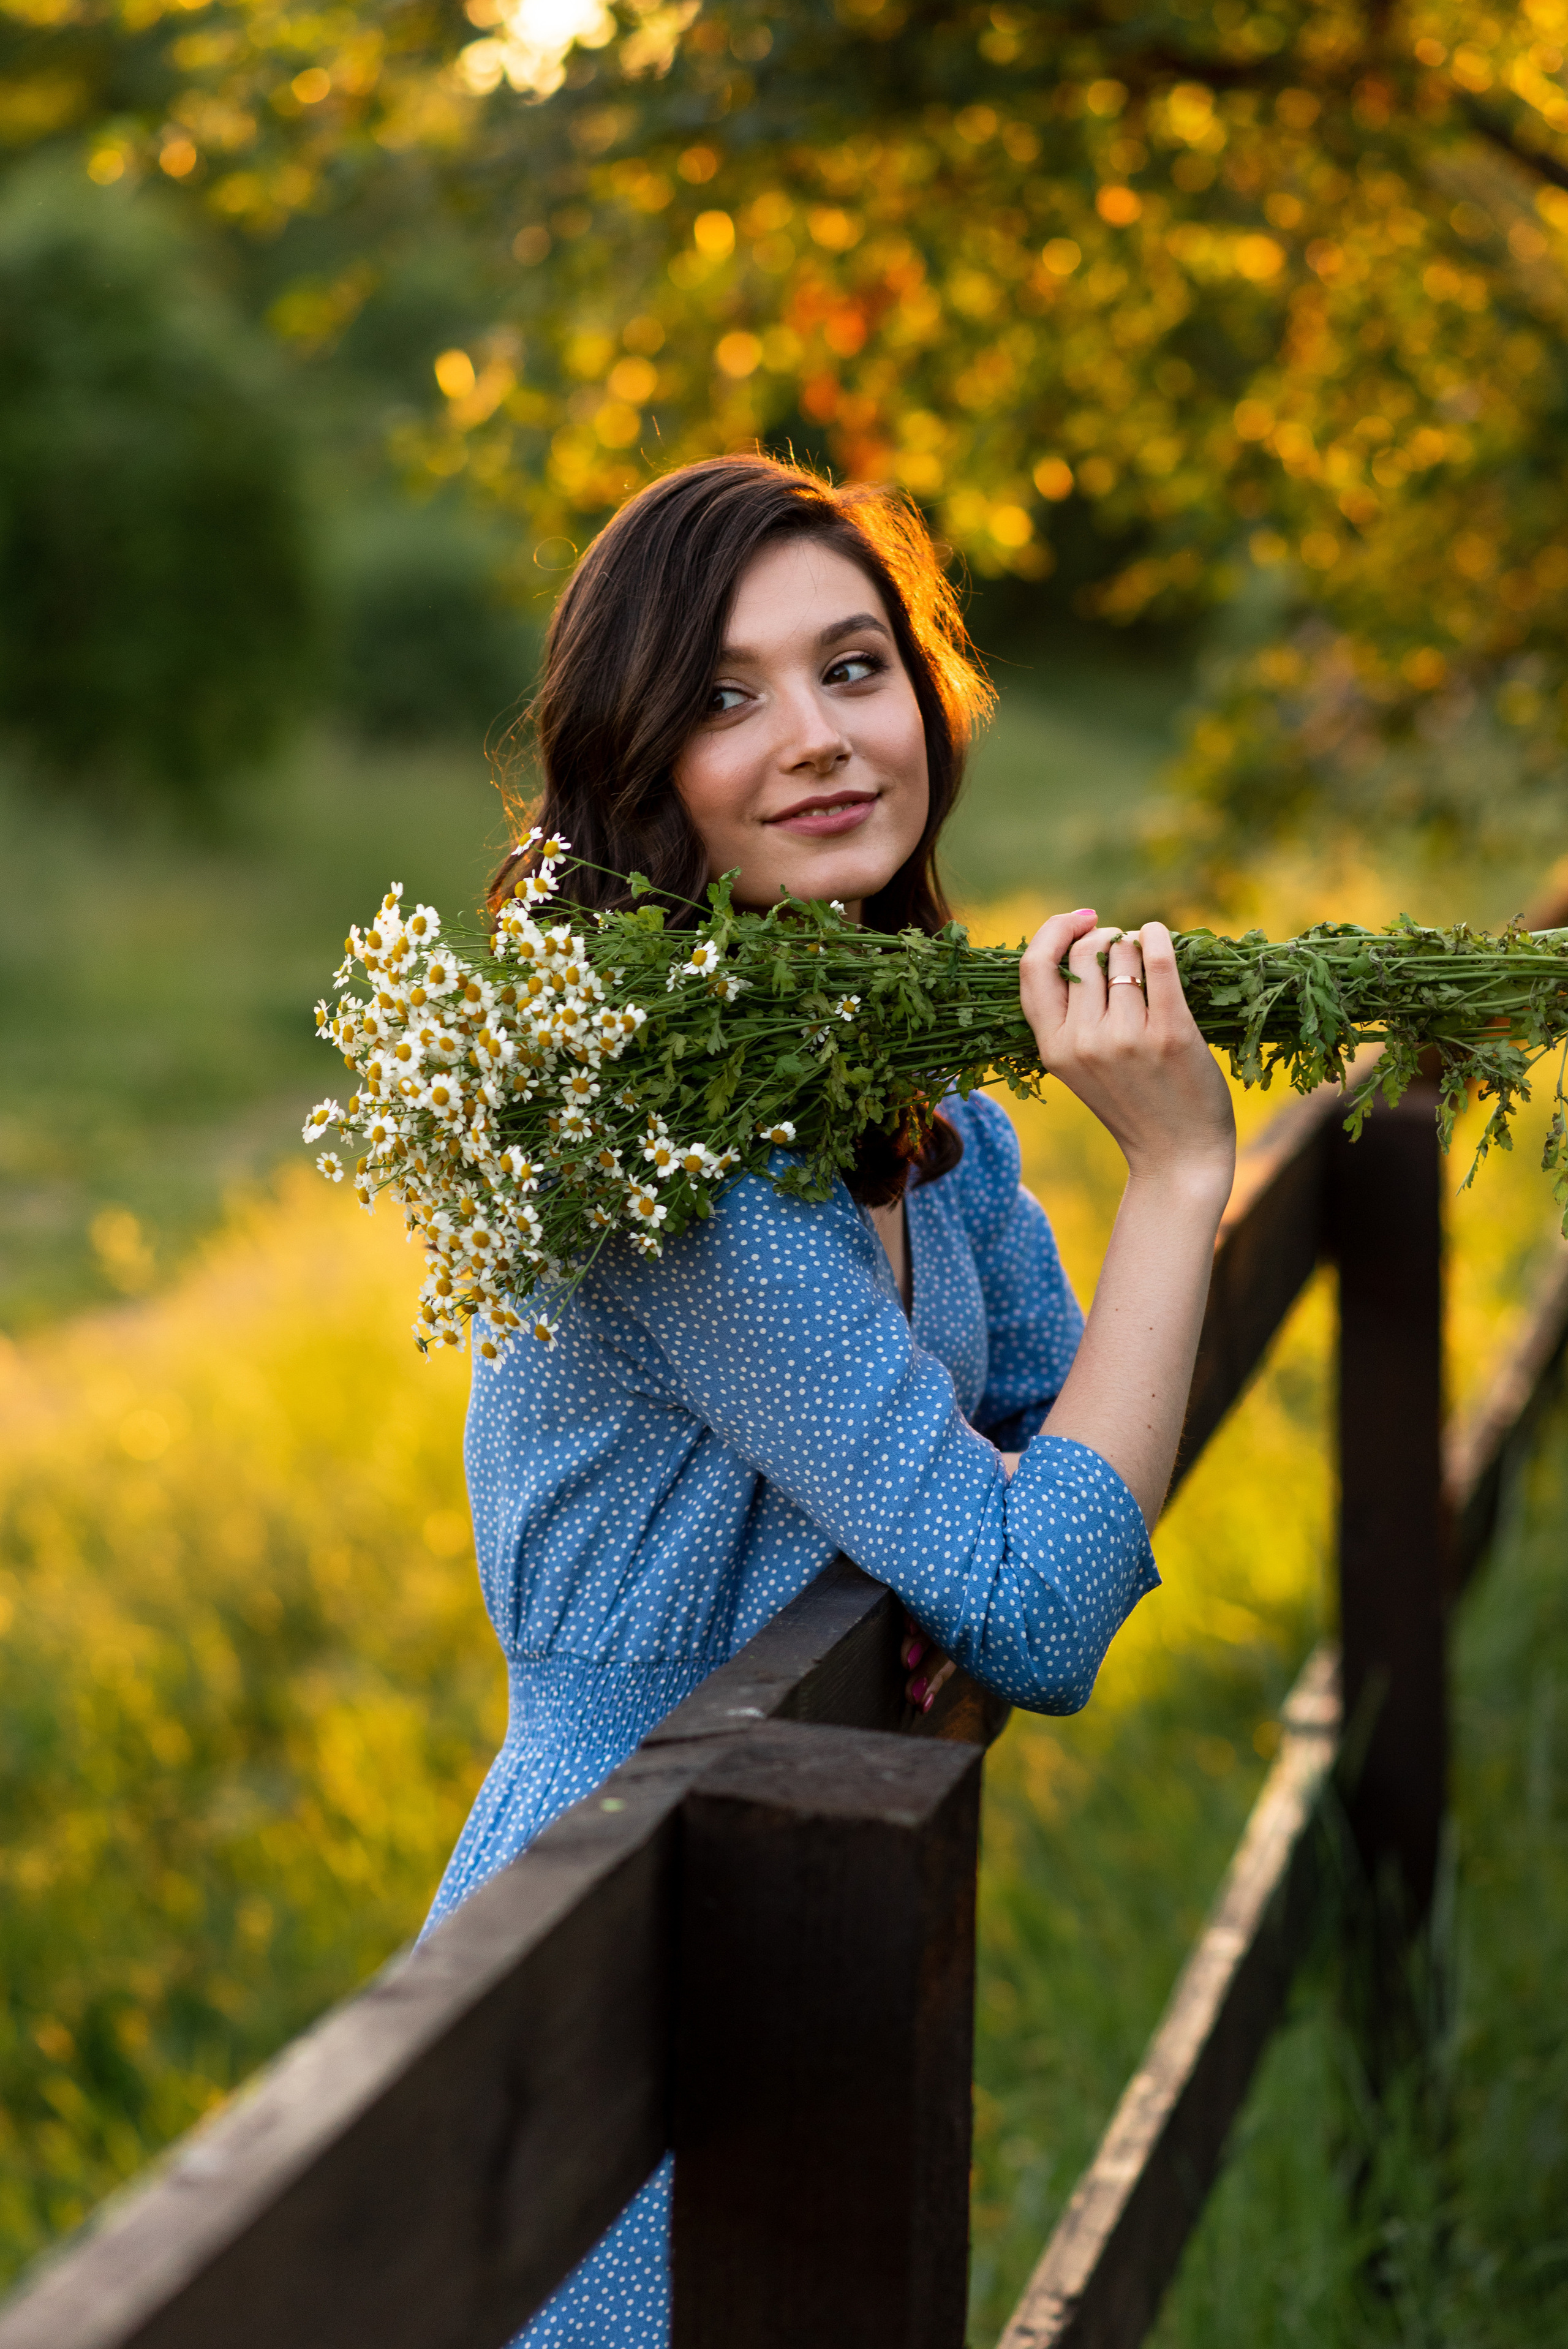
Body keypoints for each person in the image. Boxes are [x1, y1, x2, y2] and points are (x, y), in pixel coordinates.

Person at [423, 453, 1237, 2344]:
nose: (815, 735)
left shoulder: (930, 1116)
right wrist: (1182, 1179)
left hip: (809, 1900)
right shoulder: (669, 1156)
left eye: (855, 666)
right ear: (643, 763)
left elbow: (1048, 1433)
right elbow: (1042, 1595)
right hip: (621, 1926)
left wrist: (994, 1532)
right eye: (727, 694)